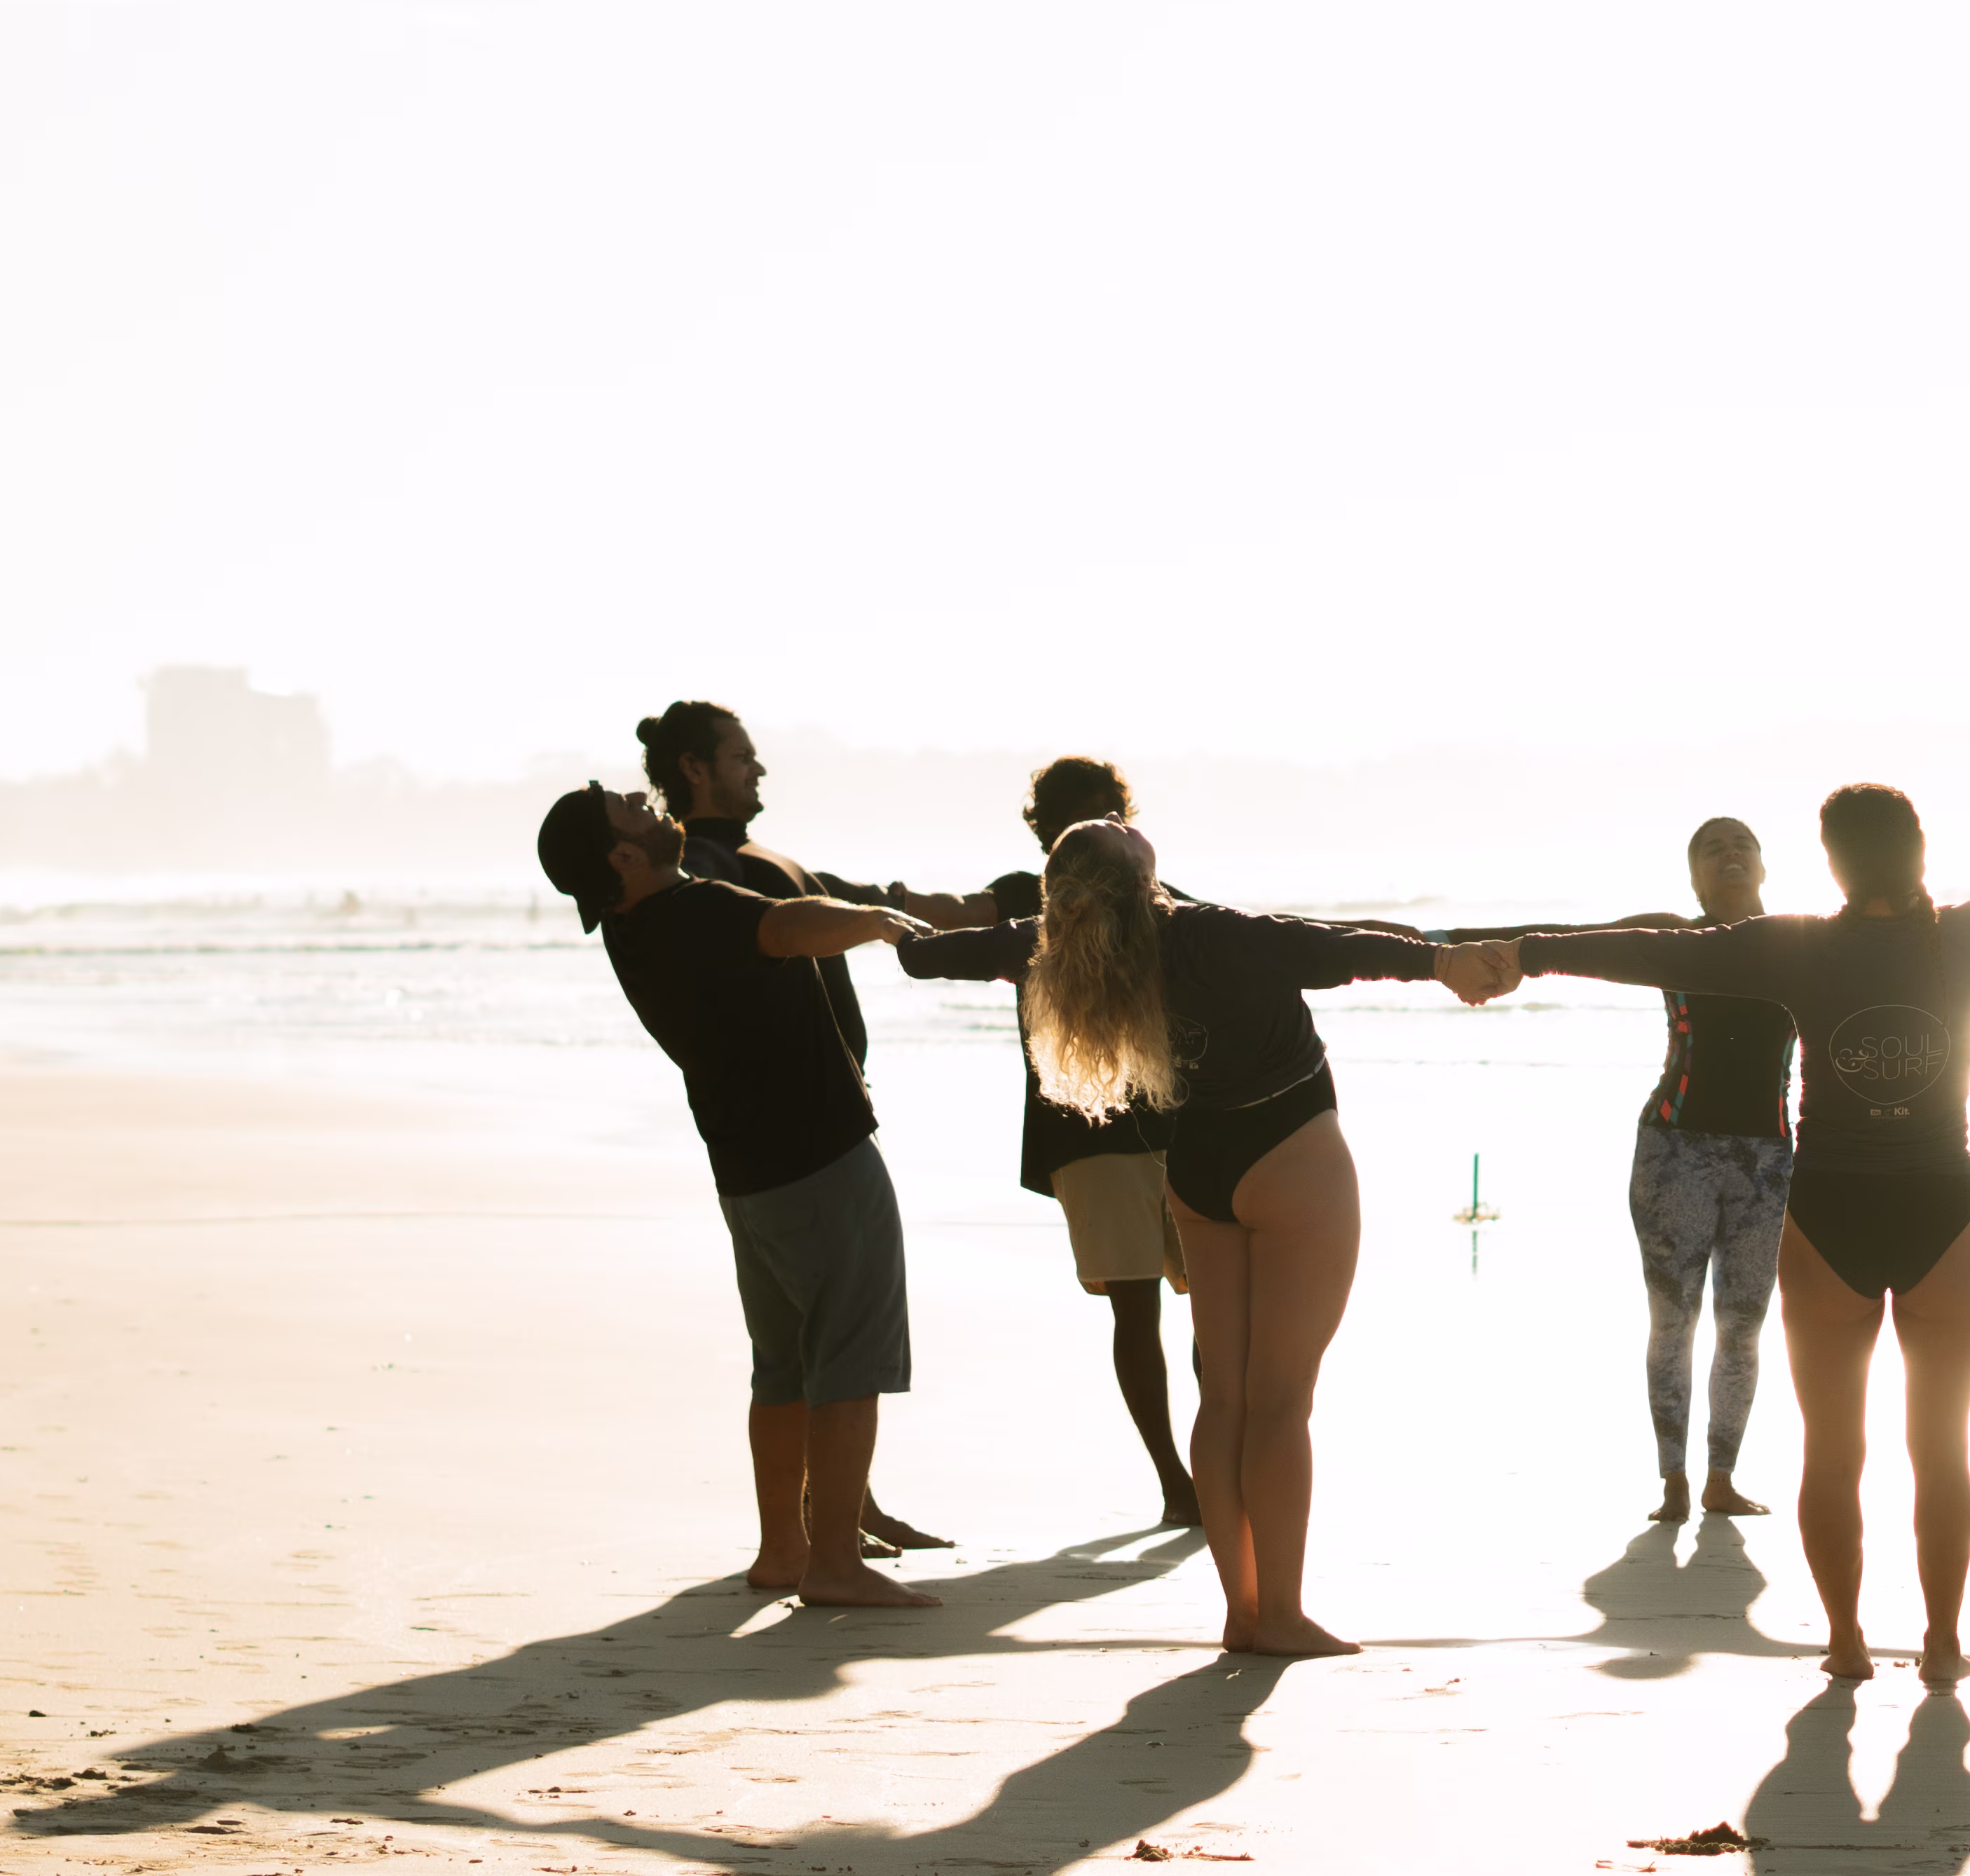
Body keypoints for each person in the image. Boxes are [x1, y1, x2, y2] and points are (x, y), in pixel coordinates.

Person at [1477, 784, 1970, 1685]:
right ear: (1921, 847)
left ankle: (1846, 1642)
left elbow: (1648, 952)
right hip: (1943, 1215)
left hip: (1828, 1218)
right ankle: (1944, 1645)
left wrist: (1522, 952)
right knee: (1942, 1447)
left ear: (1833, 863)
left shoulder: (1797, 945)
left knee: (1832, 1453)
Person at [902, 819, 1516, 1658]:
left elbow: (938, 957)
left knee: (1226, 1398)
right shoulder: (1208, 930)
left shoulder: (1063, 941)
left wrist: (899, 930)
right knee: (1281, 1400)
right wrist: (1444, 962)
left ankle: (1243, 1611)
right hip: (1290, 1157)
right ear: (1141, 874)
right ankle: (1285, 1617)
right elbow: (1330, 947)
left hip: (1197, 1172)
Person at [534, 783, 940, 1610]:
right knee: (848, 1362)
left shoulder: (631, 931)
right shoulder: (697, 909)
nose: (649, 803)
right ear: (621, 856)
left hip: (748, 1178)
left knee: (784, 1366)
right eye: (629, 807)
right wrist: (876, 921)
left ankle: (783, 1551)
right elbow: (786, 928)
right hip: (821, 1160)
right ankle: (831, 1560)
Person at [636, 698, 968, 1553]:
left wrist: (958, 915)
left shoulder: (753, 857)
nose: (759, 769)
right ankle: (830, 1536)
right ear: (694, 769)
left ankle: (836, 1516)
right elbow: (785, 928)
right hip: (804, 1141)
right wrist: (880, 919)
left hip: (776, 1141)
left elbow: (848, 898)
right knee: (840, 1339)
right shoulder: (699, 872)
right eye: (741, 756)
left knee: (795, 1347)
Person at [1435, 817, 1795, 1525]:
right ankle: (1672, 1481)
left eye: (1742, 844)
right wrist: (1489, 951)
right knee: (1673, 1320)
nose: (1729, 852)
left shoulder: (1798, 944)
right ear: (1693, 878)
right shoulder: (1673, 936)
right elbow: (1578, 940)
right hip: (1674, 1152)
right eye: (1711, 848)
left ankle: (1720, 1477)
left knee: (1744, 1324)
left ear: (1763, 867)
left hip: (1765, 1160)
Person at [893, 757, 1201, 1533]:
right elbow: (950, 921)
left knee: (1209, 1304)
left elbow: (1232, 933)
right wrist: (892, 908)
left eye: (1115, 818)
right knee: (1141, 1310)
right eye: (1089, 818)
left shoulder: (1151, 894)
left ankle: (1212, 1461)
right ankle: (1177, 1480)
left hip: (1168, 1116)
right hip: (1090, 1125)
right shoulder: (1028, 902)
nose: (1110, 836)